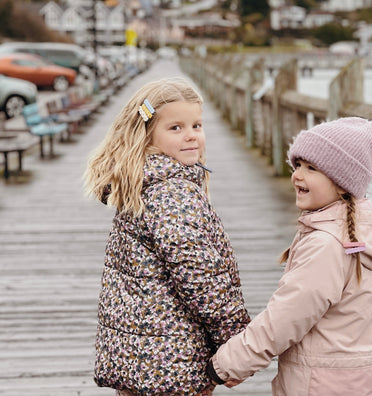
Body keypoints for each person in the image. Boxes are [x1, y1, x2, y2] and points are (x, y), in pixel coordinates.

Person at [206, 117, 372, 395]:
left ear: (341, 184)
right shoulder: (355, 233)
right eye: (298, 165)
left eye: (312, 169)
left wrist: (228, 364)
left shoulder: (326, 244)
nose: (297, 175)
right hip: (353, 378)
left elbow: (286, 316)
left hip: (320, 381)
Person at [84, 77, 250, 396]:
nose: (191, 136)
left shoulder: (140, 184)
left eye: (197, 126)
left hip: (136, 355)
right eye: (175, 128)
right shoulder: (174, 196)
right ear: (147, 135)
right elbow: (203, 280)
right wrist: (238, 344)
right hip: (175, 361)